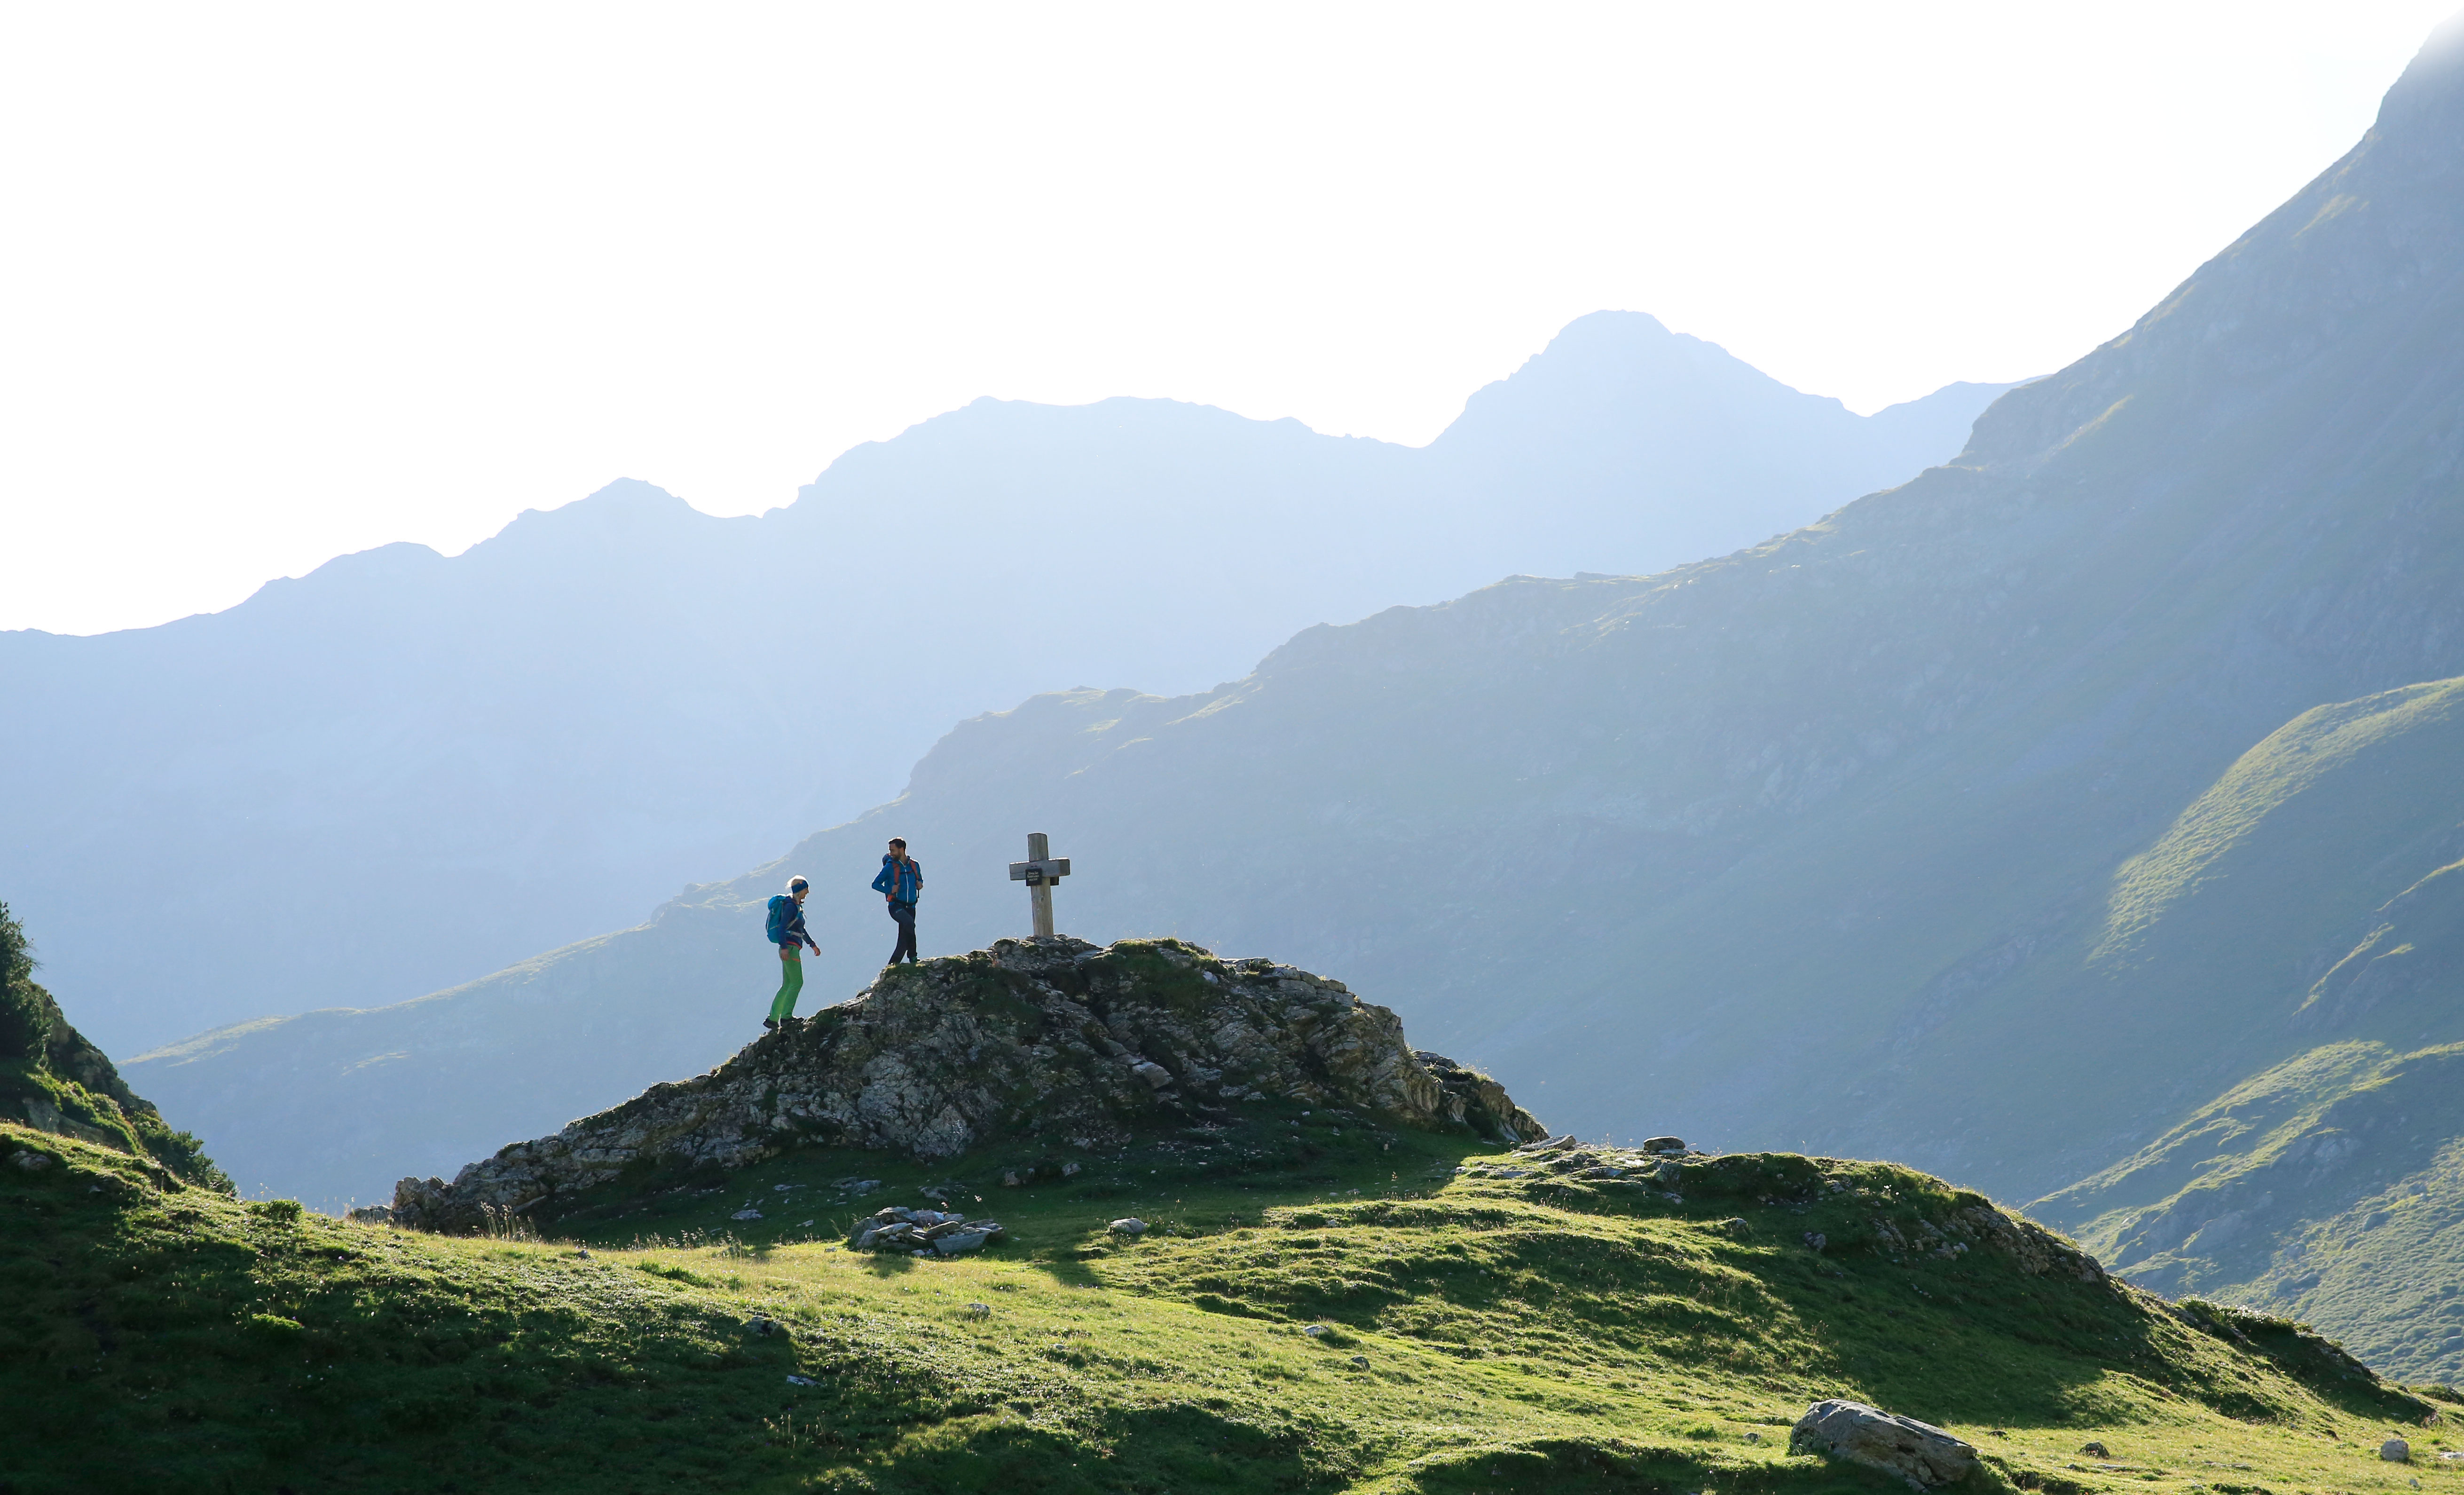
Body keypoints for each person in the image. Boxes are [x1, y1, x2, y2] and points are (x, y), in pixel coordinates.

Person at [763, 876, 819, 1030]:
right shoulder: (791, 907)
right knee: (797, 982)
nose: (808, 892)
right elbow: (782, 927)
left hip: (789, 947)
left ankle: (773, 1019)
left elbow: (800, 929)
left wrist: (812, 945)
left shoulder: (794, 906)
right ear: (801, 889)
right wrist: (785, 947)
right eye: (806, 889)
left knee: (787, 984)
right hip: (790, 948)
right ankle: (786, 1017)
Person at [871, 838, 922, 965]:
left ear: (902, 849)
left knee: (904, 939)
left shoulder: (914, 865)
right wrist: (890, 890)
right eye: (890, 851)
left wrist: (920, 884)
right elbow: (875, 884)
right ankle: (913, 957)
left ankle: (893, 966)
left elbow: (920, 879)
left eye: (893, 851)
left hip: (911, 906)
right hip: (896, 906)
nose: (891, 853)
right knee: (909, 924)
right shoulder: (889, 867)